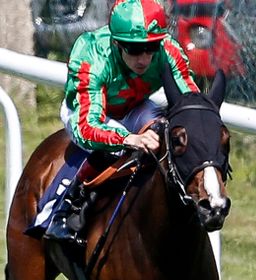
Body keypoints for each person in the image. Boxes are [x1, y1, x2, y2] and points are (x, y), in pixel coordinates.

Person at [37, 0, 199, 245]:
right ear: (116, 43)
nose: (144, 58)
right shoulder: (93, 54)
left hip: (134, 106)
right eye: (134, 49)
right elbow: (87, 127)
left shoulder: (168, 50)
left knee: (162, 132)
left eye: (150, 48)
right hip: (85, 114)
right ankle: (69, 204)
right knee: (118, 143)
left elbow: (190, 101)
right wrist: (128, 139)